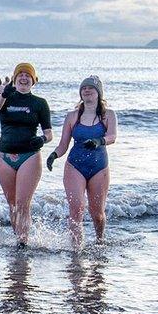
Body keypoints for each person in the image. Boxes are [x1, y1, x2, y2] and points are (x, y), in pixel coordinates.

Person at [46, 76, 117, 248]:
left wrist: (99, 141)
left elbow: (112, 136)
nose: (86, 90)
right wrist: (54, 155)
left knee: (97, 213)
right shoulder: (72, 116)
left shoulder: (108, 115)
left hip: (99, 167)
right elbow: (63, 144)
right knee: (76, 209)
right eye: (83, 88)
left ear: (98, 93)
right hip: (75, 166)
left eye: (90, 88)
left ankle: (100, 241)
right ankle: (76, 249)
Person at [0, 63, 52, 248]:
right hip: (4, 156)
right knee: (12, 204)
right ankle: (18, 237)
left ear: (33, 81)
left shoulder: (39, 103)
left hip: (30, 156)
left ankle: (22, 243)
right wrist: (4, 93)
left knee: (22, 203)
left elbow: (49, 133)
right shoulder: (6, 98)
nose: (24, 78)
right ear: (15, 79)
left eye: (28, 75)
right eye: (20, 75)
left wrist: (42, 139)